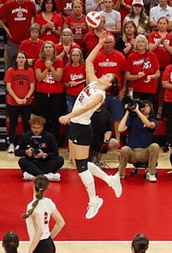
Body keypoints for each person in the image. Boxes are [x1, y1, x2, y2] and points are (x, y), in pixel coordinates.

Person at [59, 37, 122, 220]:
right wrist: (100, 43)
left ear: (110, 85)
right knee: (82, 162)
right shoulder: (94, 83)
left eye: (108, 76)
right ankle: (111, 180)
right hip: (77, 127)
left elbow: (85, 108)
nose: (105, 75)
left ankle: (94, 200)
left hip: (82, 129)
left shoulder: (100, 95)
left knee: (81, 167)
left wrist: (68, 116)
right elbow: (88, 62)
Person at [117, 100, 159, 182]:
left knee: (155, 146)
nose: (144, 108)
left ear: (151, 109)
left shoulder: (153, 121)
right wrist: (127, 113)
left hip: (145, 152)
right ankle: (121, 173)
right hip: (132, 153)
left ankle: (151, 173)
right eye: (143, 106)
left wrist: (137, 111)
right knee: (124, 149)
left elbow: (149, 125)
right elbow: (120, 129)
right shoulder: (133, 119)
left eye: (147, 106)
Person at [4, 51, 36, 153]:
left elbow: (32, 87)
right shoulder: (10, 71)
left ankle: (25, 144)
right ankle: (12, 144)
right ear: (16, 59)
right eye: (19, 58)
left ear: (26, 60)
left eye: (23, 57)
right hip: (12, 102)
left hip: (27, 102)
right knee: (13, 123)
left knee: (26, 124)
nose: (21, 60)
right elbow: (8, 86)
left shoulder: (30, 71)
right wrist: (17, 99)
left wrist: (26, 98)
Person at [33, 41, 65, 140]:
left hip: (56, 94)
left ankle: (54, 139)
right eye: (46, 47)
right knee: (43, 118)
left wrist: (51, 66)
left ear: (54, 49)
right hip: (42, 93)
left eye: (50, 47)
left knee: (55, 118)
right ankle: (43, 139)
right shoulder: (39, 61)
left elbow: (58, 78)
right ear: (43, 50)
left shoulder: (59, 61)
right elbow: (39, 78)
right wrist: (47, 69)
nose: (48, 49)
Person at [16, 116, 64, 181]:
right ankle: (46, 176)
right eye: (34, 128)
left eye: (38, 128)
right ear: (30, 127)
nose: (36, 130)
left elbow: (55, 153)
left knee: (60, 160)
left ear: (42, 127)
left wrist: (44, 155)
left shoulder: (49, 136)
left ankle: (36, 175)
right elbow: (16, 151)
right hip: (32, 163)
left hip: (46, 162)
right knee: (22, 161)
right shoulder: (25, 136)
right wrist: (26, 152)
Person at [0, 0, 37, 70]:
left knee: (27, 65)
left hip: (27, 40)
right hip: (13, 40)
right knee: (11, 65)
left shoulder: (30, 4)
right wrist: (6, 29)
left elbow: (35, 15)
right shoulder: (9, 4)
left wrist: (32, 26)